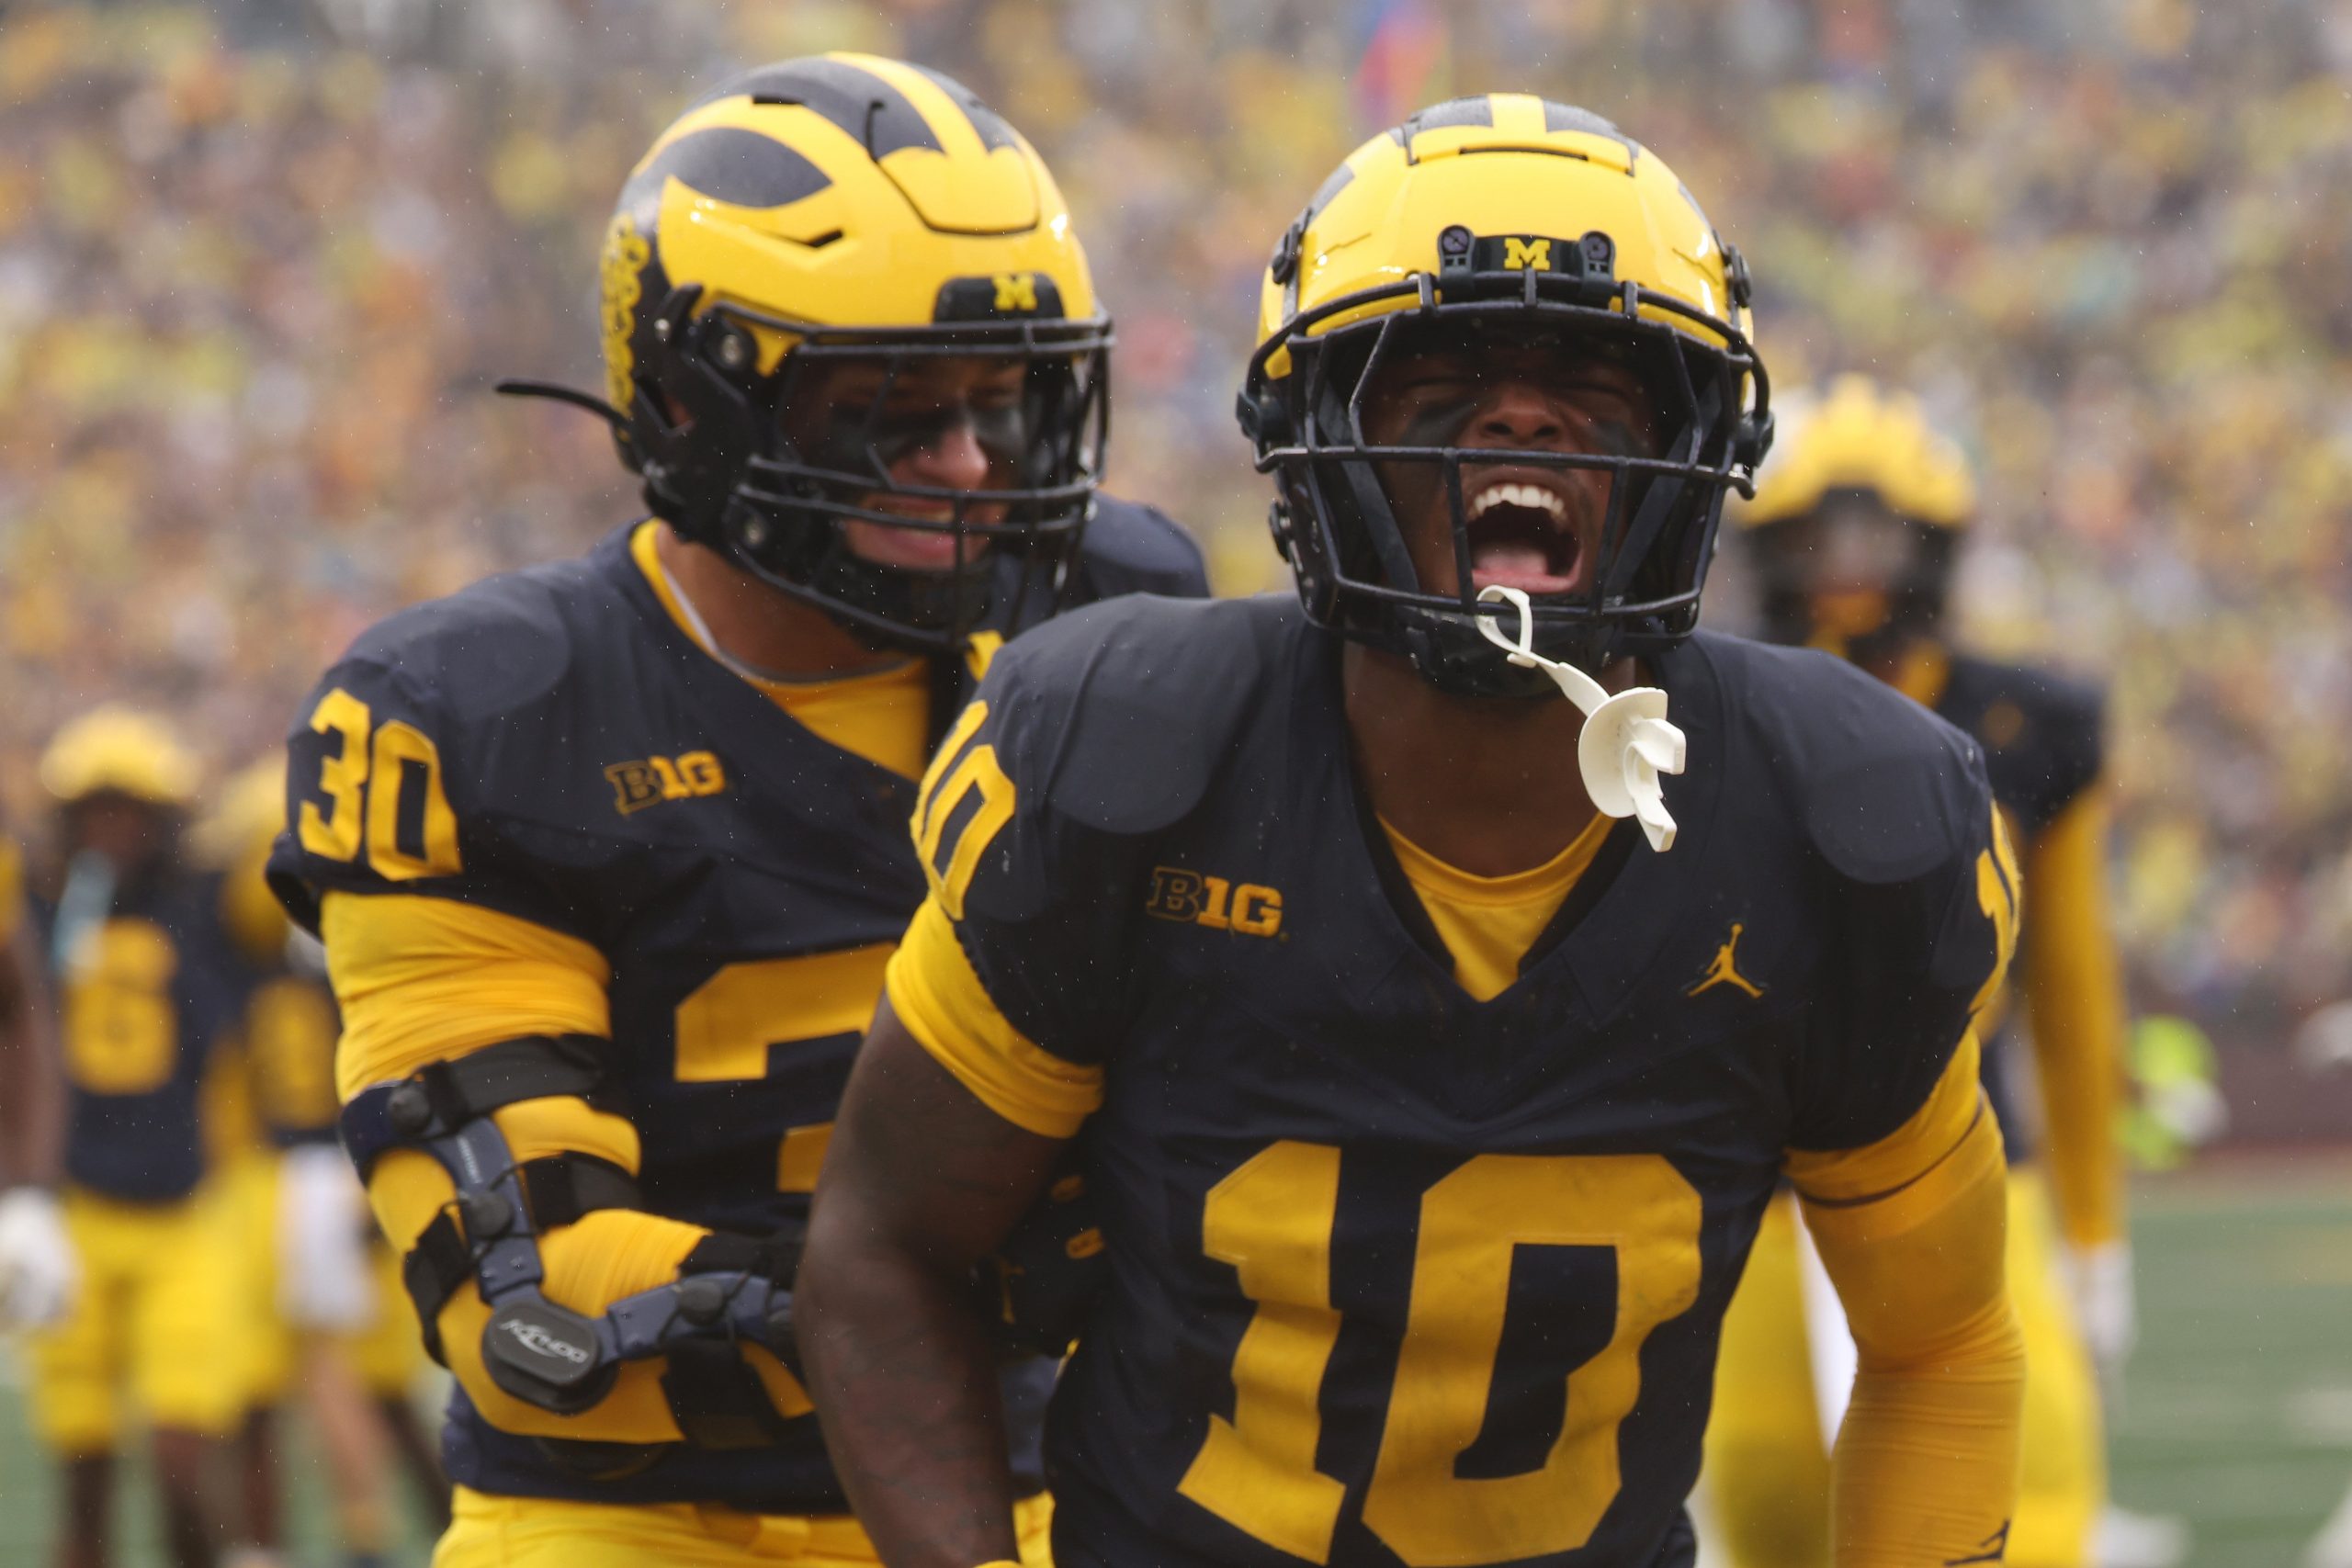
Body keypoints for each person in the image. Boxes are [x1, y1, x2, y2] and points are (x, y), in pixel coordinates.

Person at [796, 95, 2026, 1568]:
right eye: (1438, 369)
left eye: (1600, 372)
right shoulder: (1136, 757)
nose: (1521, 415)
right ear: (1314, 432)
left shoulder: (1833, 816)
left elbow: (1940, 1339)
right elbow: (884, 1247)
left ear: (1704, 437)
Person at [266, 52, 1205, 1568]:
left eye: (1004, 403)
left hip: (1027, 1495)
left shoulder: (1113, 627)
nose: (967, 464)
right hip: (636, 1522)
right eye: (893, 412)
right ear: (701, 407)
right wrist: (943, 1292)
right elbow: (532, 1300)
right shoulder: (482, 715)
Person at [1706, 375, 2154, 1568]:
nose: (1848, 569)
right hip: (1759, 1185)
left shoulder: (2025, 721)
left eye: (1876, 537)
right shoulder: (1700, 715)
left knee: (2023, 1501)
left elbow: (2069, 988)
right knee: (1771, 1503)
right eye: (1816, 539)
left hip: (1965, 1160)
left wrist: (2095, 1231)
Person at [198, 759, 448, 1568]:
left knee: (320, 1376)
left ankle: (358, 1535)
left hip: (304, 1175)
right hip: (344, 1167)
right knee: (347, 1383)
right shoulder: (326, 939)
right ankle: (377, 1533)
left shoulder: (266, 949)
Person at [24, 706, 245, 1568]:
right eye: (96, 811)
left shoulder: (200, 914)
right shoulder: (37, 915)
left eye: (130, 811)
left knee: (181, 1459)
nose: (113, 830)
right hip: (76, 1206)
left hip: (182, 1208)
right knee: (83, 1475)